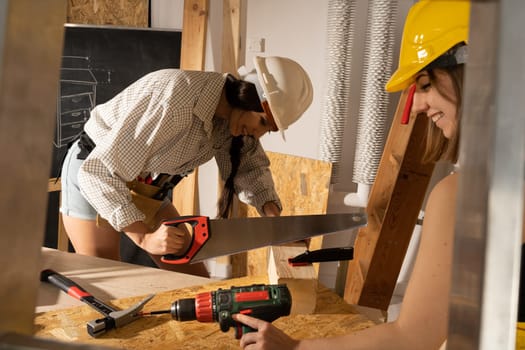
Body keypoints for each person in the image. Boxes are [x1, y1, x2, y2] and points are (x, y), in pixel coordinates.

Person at [232, 1, 474, 348]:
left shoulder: (463, 195)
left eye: (424, 84)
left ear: (472, 68)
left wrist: (296, 348)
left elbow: (412, 338)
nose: (418, 106)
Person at [59, 55, 313, 277]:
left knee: (194, 282)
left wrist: (278, 225)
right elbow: (99, 173)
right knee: (108, 283)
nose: (258, 134)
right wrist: (144, 237)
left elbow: (250, 169)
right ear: (248, 96)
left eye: (267, 129)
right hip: (93, 174)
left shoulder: (230, 121)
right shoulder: (176, 99)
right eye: (262, 122)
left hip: (145, 185)